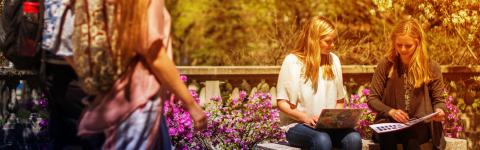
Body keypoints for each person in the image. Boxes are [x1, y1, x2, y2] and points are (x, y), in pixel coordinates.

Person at [61, 0, 207, 149]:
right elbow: (154, 53)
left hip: (121, 96)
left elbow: (63, 40)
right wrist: (191, 105)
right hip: (139, 100)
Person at [276, 16, 362, 150]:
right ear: (314, 40)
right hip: (298, 125)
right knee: (321, 139)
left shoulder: (334, 60)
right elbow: (282, 103)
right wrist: (305, 118)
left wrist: (335, 121)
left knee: (354, 138)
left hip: (326, 127)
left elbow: (339, 101)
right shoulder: (292, 61)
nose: (332, 45)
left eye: (333, 41)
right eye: (328, 41)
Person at [367, 19, 446, 150]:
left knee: (412, 139)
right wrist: (390, 111)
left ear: (418, 43)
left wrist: (440, 111)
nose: (403, 49)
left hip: (419, 126)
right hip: (388, 123)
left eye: (408, 46)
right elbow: (372, 99)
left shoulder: (431, 67)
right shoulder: (386, 65)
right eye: (399, 45)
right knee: (388, 136)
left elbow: (439, 101)